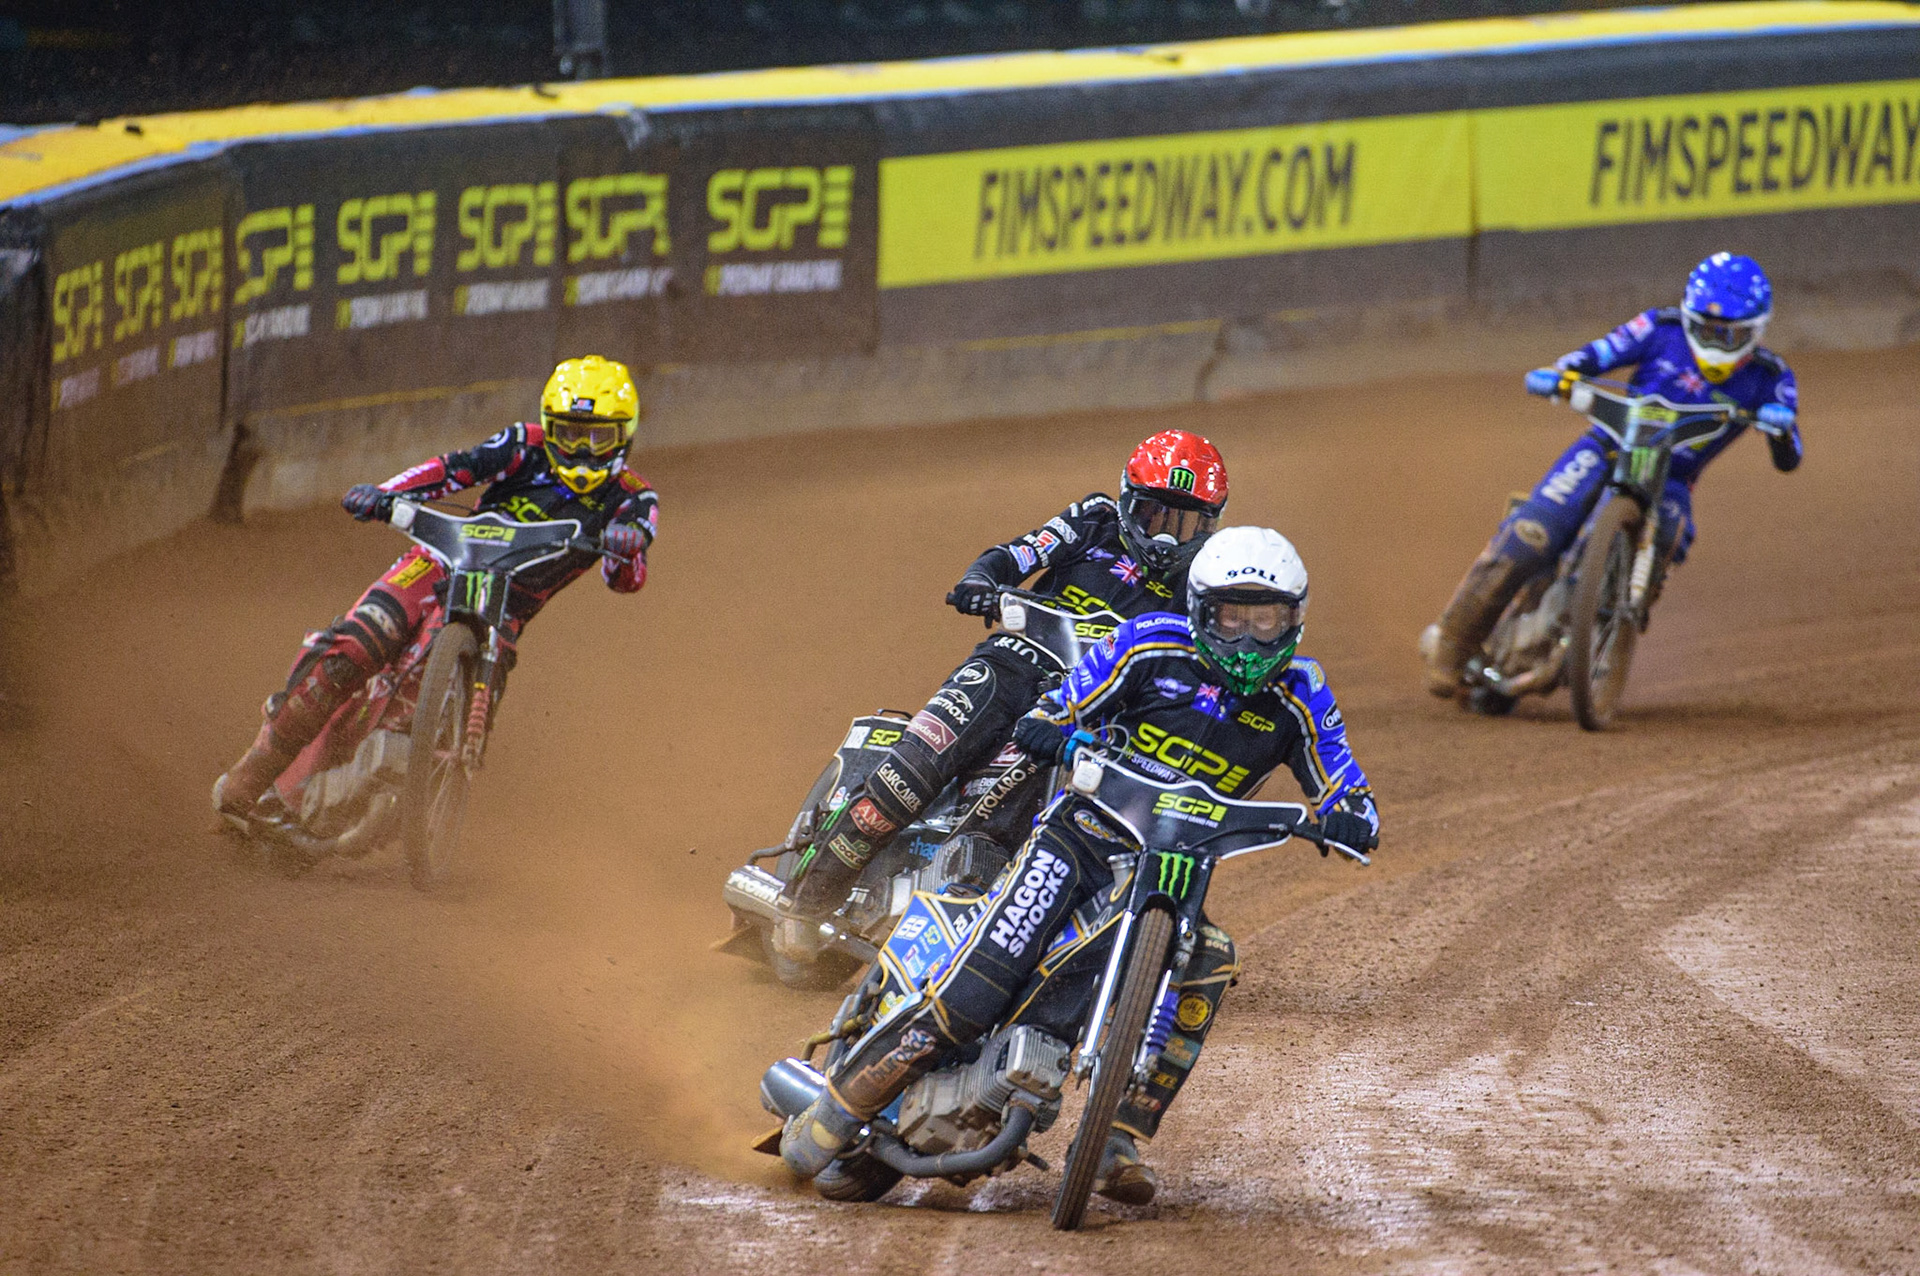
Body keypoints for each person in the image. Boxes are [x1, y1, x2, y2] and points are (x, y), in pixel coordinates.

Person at [781, 526, 1380, 1204]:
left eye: (1264, 621)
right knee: (969, 998)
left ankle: (1114, 1140)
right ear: (1199, 611)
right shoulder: (1148, 642)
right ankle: (826, 1122)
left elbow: (1345, 781)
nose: (1246, 640)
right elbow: (1065, 698)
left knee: (1211, 959)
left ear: (1293, 620)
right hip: (1079, 838)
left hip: (1173, 870)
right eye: (1230, 619)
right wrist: (1050, 723)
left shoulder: (1302, 691)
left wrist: (1350, 814)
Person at [777, 429, 1231, 942]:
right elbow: (1013, 556)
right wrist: (980, 582)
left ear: (1210, 524)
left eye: (1184, 522)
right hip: (1015, 664)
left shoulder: (1206, 583)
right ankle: (804, 907)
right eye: (1154, 515)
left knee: (1079, 825)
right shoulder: (1095, 519)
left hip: (1095, 709)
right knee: (909, 777)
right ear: (1129, 501)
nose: (1166, 536)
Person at [213, 355, 658, 818]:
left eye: (598, 438)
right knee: (356, 646)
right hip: (437, 565)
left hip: (501, 615)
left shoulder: (633, 497)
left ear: (624, 436)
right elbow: (454, 469)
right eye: (570, 434)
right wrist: (386, 494)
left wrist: (625, 548)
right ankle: (253, 772)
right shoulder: (524, 445)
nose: (583, 450)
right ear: (550, 428)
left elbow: (626, 580)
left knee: (422, 728)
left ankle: (343, 814)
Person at [1422, 252, 1802, 700]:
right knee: (1532, 533)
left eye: (1729, 335)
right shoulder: (1658, 329)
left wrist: (1780, 428)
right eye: (1705, 329)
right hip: (1606, 448)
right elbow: (1598, 353)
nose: (1715, 343)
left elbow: (1790, 457)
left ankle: (1622, 609)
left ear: (1756, 331)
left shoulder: (1771, 378)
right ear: (1687, 317)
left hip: (1672, 479)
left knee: (1672, 532)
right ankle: (1452, 642)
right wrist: (1562, 373)